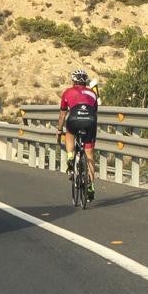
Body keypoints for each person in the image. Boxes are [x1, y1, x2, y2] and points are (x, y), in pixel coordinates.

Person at [57, 68, 99, 201]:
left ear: (73, 81)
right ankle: (91, 186)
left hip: (74, 119)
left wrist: (59, 130)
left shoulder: (67, 92)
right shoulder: (93, 93)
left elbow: (63, 114)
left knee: (69, 132)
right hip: (90, 121)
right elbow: (95, 112)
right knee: (89, 154)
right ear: (85, 81)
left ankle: (70, 157)